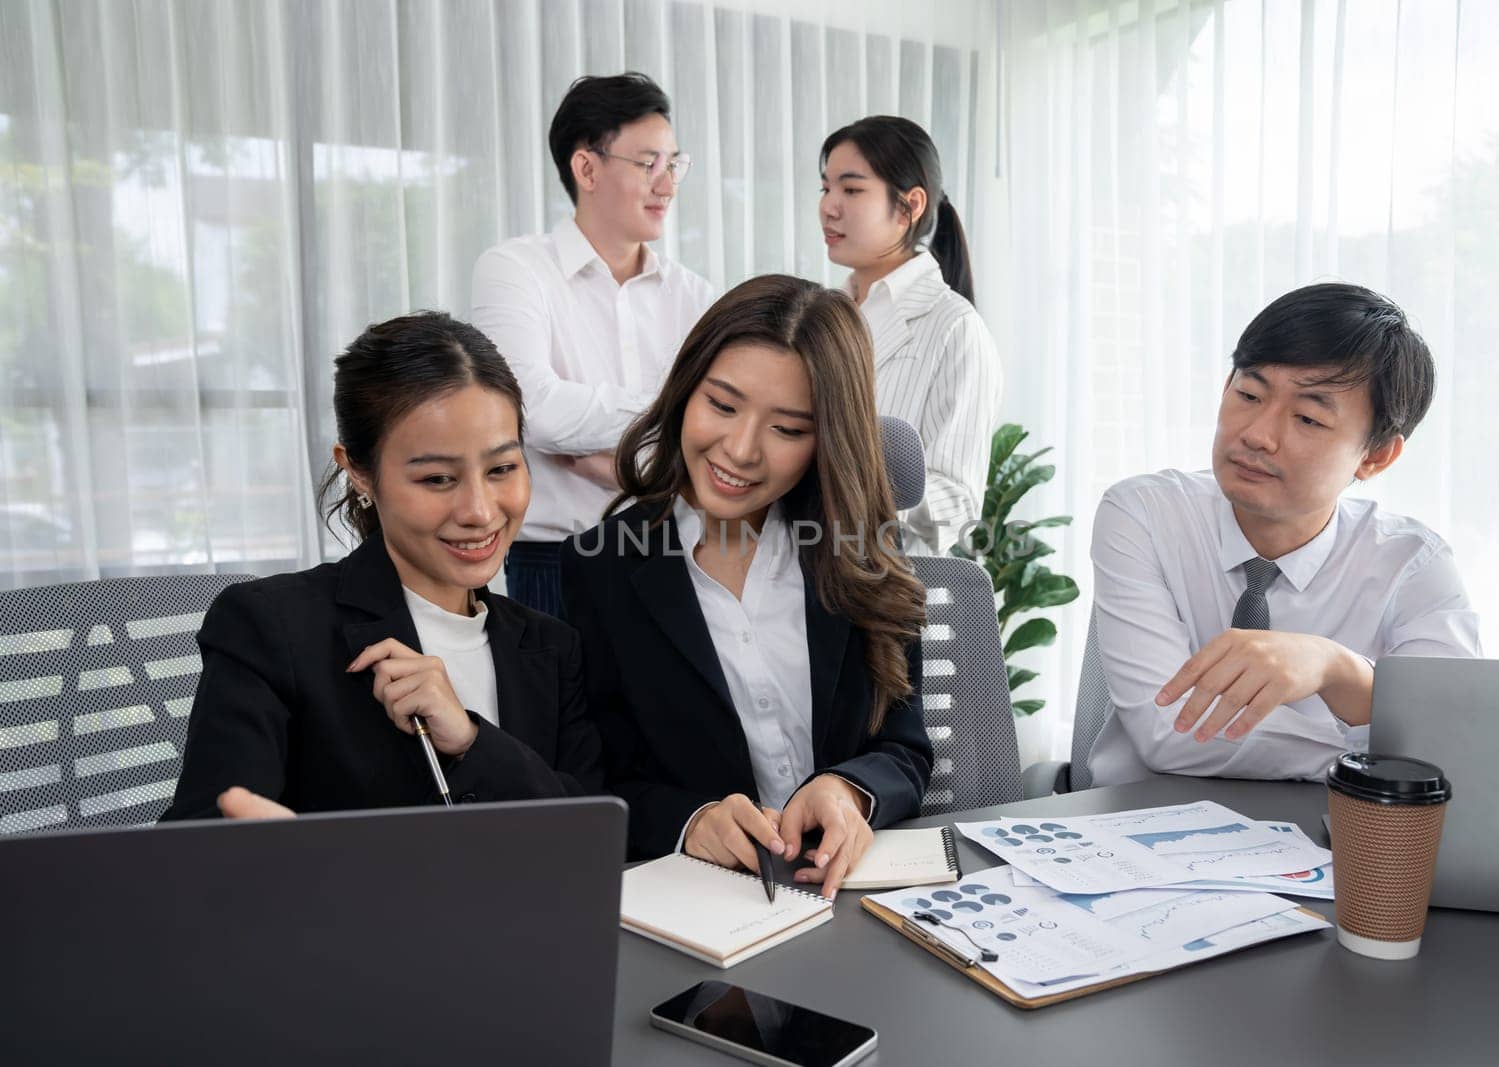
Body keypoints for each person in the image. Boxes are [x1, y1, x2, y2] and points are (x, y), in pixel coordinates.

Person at [560, 275, 932, 899]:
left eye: (787, 430)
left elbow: (904, 747)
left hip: (858, 900)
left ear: (826, 442)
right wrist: (692, 822)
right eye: (723, 406)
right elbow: (594, 779)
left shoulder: (857, 554)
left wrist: (848, 789)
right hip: (710, 909)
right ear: (685, 393)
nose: (740, 450)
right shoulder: (600, 571)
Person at [164, 312, 602, 820]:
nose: (480, 511)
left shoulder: (552, 647)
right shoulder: (272, 627)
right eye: (437, 478)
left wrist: (469, 741)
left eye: (502, 468)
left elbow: (589, 830)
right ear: (359, 473)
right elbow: (199, 849)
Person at [1084, 283, 1481, 786]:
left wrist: (1337, 669)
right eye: (1249, 394)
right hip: (1128, 829)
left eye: (1308, 418)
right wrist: (1369, 756)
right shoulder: (1144, 515)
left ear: (1375, 455)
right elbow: (1169, 731)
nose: (1256, 434)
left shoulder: (1412, 564)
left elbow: (1453, 747)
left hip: (1319, 841)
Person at [472, 72, 716, 619]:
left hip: (672, 556)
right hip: (556, 563)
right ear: (586, 167)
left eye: (674, 164)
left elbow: (712, 438)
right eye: (649, 163)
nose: (668, 184)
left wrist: (624, 461)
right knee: (555, 707)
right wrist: (669, 415)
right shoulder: (515, 270)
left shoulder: (696, 296)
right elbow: (531, 412)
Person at [819, 115, 1001, 555]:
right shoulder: (823, 314)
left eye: (852, 189)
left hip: (885, 585)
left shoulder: (954, 328)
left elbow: (957, 503)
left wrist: (854, 482)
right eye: (826, 188)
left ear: (910, 205)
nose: (829, 206)